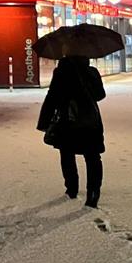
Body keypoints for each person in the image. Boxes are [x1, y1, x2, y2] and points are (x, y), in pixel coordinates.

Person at [37, 55, 106, 208]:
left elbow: (52, 97)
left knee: (67, 154)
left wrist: (44, 121)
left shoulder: (61, 72)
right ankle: (93, 193)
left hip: (67, 121)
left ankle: (72, 188)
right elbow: (100, 95)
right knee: (93, 156)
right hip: (90, 121)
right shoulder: (91, 71)